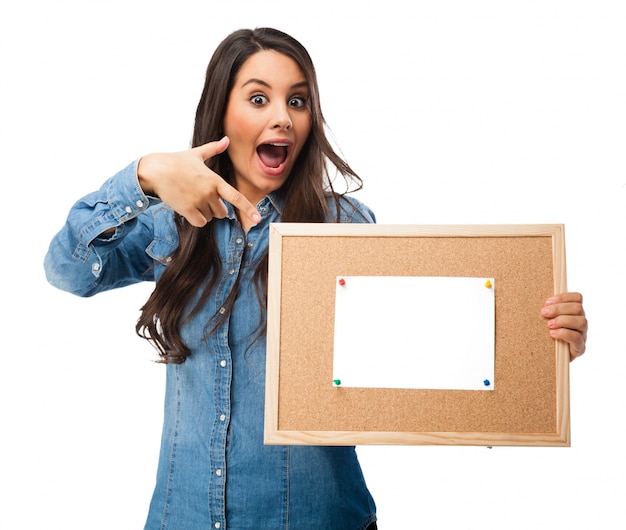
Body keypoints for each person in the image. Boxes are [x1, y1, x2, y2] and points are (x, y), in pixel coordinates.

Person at [44, 27, 588, 530]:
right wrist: (145, 174)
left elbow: (420, 358)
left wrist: (536, 352)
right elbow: (66, 269)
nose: (282, 117)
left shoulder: (345, 227)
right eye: (259, 99)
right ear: (221, 113)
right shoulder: (169, 224)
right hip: (181, 514)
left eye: (297, 100)